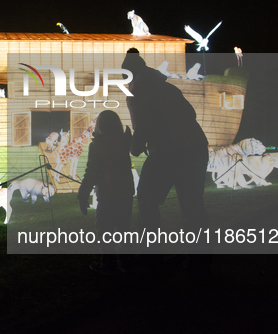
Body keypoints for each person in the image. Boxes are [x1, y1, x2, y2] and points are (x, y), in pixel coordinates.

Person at [121, 48, 211, 271]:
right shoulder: (168, 88)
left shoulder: (136, 92)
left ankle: (150, 258)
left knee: (147, 200)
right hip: (195, 148)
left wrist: (132, 146)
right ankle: (198, 260)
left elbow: (141, 129)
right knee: (193, 206)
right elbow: (191, 114)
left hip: (168, 152)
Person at [77, 110, 135, 276]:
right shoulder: (125, 141)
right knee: (124, 228)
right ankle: (126, 262)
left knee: (105, 229)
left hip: (107, 194)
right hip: (125, 192)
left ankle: (108, 264)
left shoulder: (97, 145)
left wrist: (82, 195)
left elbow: (91, 172)